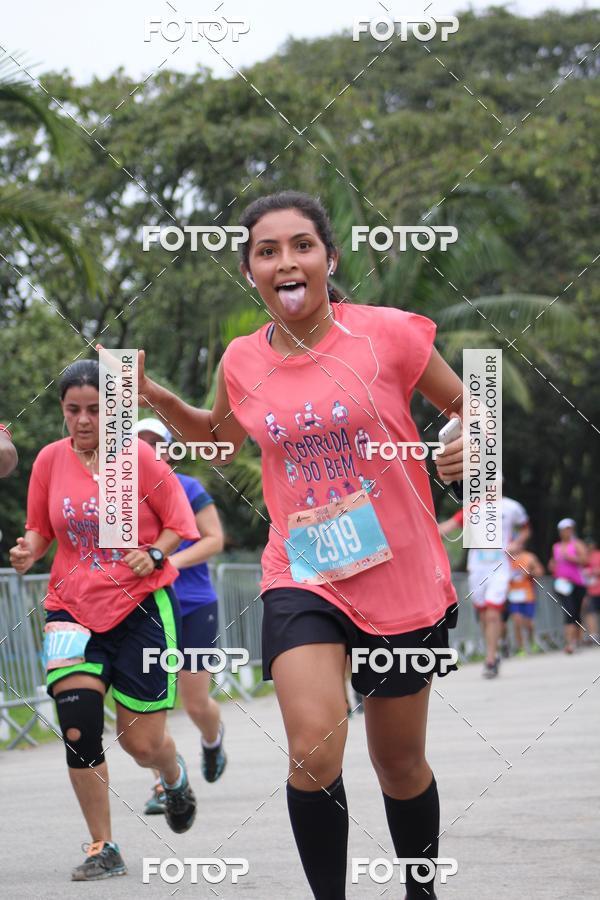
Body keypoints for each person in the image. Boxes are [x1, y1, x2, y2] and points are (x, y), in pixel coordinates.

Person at [125, 190, 465, 900]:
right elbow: (219, 441)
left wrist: (472, 444)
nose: (286, 261)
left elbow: (473, 404)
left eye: (301, 246)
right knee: (312, 749)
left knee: (399, 763)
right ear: (250, 270)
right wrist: (155, 395)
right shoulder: (244, 360)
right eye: (267, 251)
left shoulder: (389, 335)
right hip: (303, 571)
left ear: (329, 257)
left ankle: (421, 890)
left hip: (400, 577)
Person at [9, 360, 200, 881]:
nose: (84, 420)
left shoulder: (136, 457)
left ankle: (172, 774)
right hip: (71, 607)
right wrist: (29, 551)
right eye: (73, 410)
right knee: (78, 724)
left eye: (95, 409)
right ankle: (103, 846)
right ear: (62, 412)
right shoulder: (50, 460)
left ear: (113, 411)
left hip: (140, 610)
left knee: (141, 743)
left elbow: (179, 527)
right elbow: (41, 531)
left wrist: (154, 554)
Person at [132, 418, 227, 815]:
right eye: (140, 443)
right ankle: (162, 783)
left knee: (195, 702)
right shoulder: (122, 497)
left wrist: (167, 560)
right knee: (154, 700)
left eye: (157, 443)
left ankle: (212, 740)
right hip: (147, 605)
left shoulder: (188, 488)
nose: (149, 449)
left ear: (170, 449)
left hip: (193, 603)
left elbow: (215, 539)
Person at [439, 486, 531, 677]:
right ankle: (494, 650)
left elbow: (526, 528)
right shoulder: (472, 508)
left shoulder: (511, 507)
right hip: (477, 570)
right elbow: (447, 527)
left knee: (492, 614)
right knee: (483, 616)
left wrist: (517, 543)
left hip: (499, 567)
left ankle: (490, 659)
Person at [549, 518, 588, 654]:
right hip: (562, 584)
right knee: (569, 610)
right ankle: (570, 643)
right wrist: (552, 565)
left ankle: (577, 640)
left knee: (576, 612)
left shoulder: (577, 544)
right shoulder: (556, 547)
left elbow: (585, 560)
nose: (567, 532)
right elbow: (554, 563)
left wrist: (572, 558)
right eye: (565, 529)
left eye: (569, 529)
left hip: (577, 583)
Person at [507, 544, 544, 655]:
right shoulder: (505, 559)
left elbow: (540, 572)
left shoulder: (529, 557)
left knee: (529, 623)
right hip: (512, 595)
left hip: (527, 595)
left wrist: (529, 573)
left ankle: (532, 641)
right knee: (517, 621)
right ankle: (521, 648)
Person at [582, 538, 600, 645]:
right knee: (590, 613)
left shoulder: (598, 555)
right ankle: (594, 636)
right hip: (589, 591)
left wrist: (592, 571)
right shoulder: (583, 557)